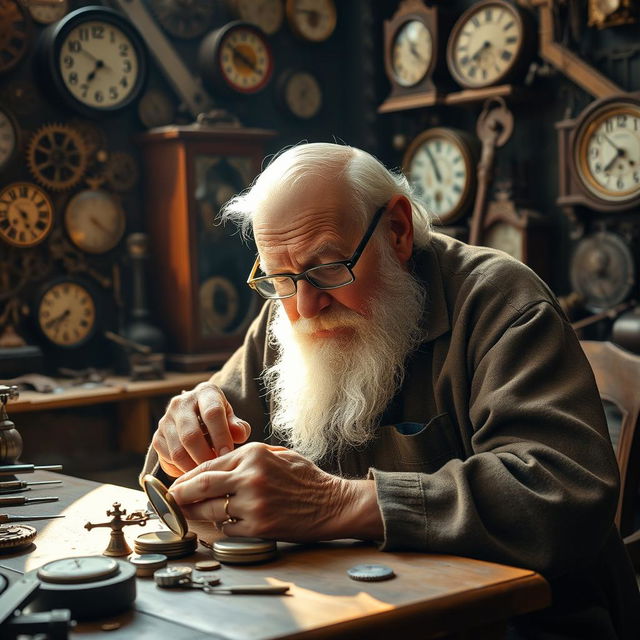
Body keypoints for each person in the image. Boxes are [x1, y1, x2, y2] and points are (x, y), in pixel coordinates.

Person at [142, 142, 640, 639]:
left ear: (397, 231)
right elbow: (175, 471)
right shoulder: (289, 306)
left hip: (525, 620)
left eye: (328, 268)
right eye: (279, 277)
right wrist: (182, 441)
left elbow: (562, 491)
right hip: (360, 610)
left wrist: (335, 504)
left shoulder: (501, 301)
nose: (306, 308)